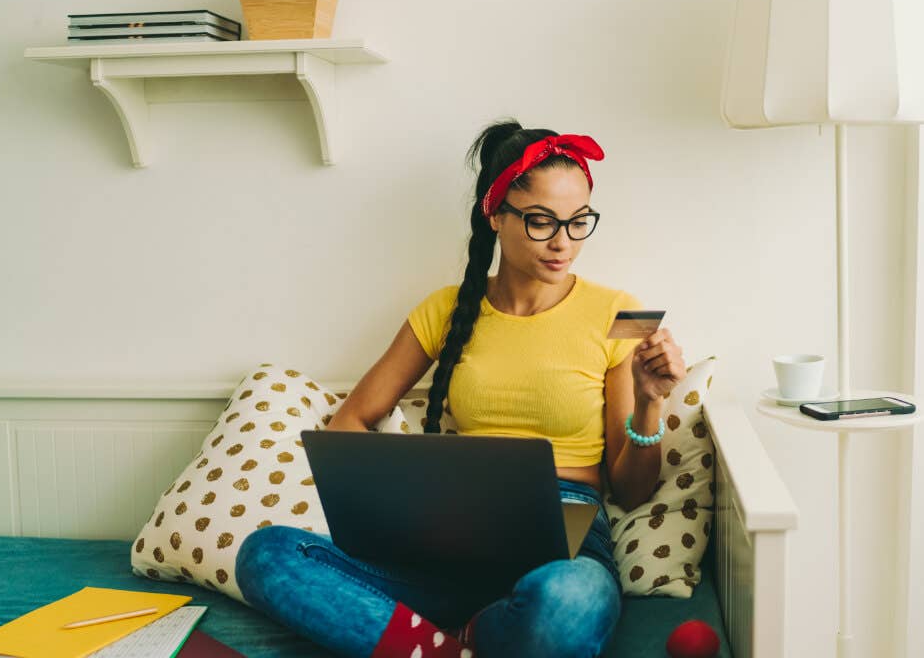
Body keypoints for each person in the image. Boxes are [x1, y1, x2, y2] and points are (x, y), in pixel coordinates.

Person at [235, 120, 686, 658]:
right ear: (495, 215)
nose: (564, 243)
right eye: (542, 222)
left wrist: (651, 401)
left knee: (571, 599)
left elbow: (633, 491)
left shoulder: (617, 311)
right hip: (443, 541)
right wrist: (403, 502)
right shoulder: (446, 310)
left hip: (562, 538)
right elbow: (350, 423)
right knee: (267, 554)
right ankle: (447, 649)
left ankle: (432, 643)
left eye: (578, 221)